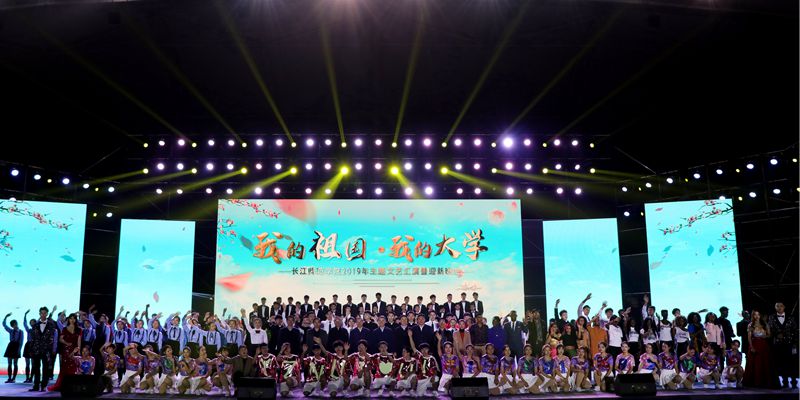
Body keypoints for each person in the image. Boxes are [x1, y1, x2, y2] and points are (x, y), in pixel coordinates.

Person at [743, 310, 777, 388]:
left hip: (764, 345)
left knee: (765, 363)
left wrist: (765, 336)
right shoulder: (750, 325)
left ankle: (765, 381)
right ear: (753, 316)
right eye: (755, 315)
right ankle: (755, 382)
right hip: (755, 344)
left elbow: (769, 335)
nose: (757, 316)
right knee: (755, 363)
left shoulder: (765, 324)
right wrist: (751, 347)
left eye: (758, 314)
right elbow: (749, 338)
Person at [48, 312, 82, 391]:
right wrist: (67, 343)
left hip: (75, 350)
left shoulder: (79, 329)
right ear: (68, 319)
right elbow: (60, 339)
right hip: (66, 350)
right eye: (71, 318)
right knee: (65, 367)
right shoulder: (64, 328)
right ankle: (64, 384)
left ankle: (73, 385)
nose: (72, 320)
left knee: (74, 367)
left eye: (74, 318)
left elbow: (79, 340)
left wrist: (79, 350)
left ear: (76, 320)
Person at [768, 302, 798, 389]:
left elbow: (795, 330)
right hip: (778, 344)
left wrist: (795, 343)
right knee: (781, 363)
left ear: (784, 307)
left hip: (790, 344)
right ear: (775, 307)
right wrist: (776, 335)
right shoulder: (772, 317)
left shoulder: (790, 317)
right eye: (777, 306)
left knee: (792, 363)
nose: (779, 307)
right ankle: (785, 382)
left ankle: (794, 382)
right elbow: (769, 330)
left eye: (781, 306)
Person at [3, 313, 23, 383]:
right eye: (13, 325)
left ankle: (14, 378)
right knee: (9, 363)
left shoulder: (21, 332)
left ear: (17, 324)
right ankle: (9, 378)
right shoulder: (11, 331)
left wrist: (19, 350)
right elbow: (4, 325)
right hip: (10, 346)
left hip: (17, 346)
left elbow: (21, 341)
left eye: (15, 324)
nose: (14, 326)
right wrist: (6, 317)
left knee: (15, 363)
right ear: (12, 326)